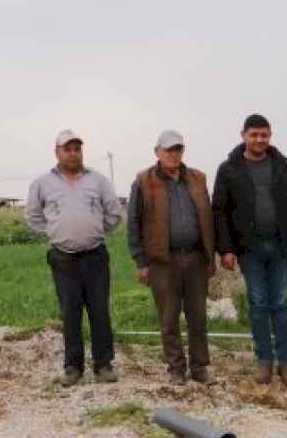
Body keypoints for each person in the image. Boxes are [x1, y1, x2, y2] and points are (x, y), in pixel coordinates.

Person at [212, 114, 287, 387]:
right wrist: (225, 249)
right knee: (258, 304)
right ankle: (264, 360)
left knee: (281, 304)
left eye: (264, 135)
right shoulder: (229, 169)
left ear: (270, 136)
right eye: (254, 134)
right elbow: (219, 211)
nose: (259, 139)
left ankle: (286, 361)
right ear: (243, 135)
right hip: (248, 248)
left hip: (279, 245)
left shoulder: (283, 166)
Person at [27, 130, 124, 387]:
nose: (73, 154)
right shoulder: (42, 184)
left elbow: (114, 214)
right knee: (70, 313)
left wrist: (95, 229)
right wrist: (54, 233)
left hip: (95, 256)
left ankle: (103, 365)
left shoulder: (99, 181)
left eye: (77, 149)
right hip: (62, 259)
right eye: (67, 149)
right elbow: (33, 217)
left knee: (99, 311)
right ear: (56, 152)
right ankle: (73, 367)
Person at [127, 130, 217, 385]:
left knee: (198, 317)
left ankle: (199, 367)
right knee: (168, 319)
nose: (174, 154)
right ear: (157, 152)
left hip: (196, 258)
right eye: (169, 150)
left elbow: (209, 217)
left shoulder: (198, 178)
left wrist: (211, 256)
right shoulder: (143, 181)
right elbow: (133, 223)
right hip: (162, 262)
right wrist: (140, 261)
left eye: (178, 149)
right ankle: (176, 368)